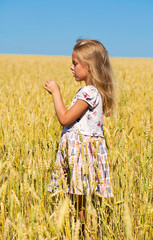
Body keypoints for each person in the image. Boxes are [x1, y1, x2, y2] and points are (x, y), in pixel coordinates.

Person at [44, 39, 115, 228]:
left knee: (81, 204)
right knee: (81, 203)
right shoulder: (92, 91)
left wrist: (56, 93)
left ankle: (89, 233)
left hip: (82, 154)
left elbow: (65, 118)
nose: (71, 67)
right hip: (82, 152)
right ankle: (87, 232)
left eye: (75, 63)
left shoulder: (88, 92)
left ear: (89, 66)